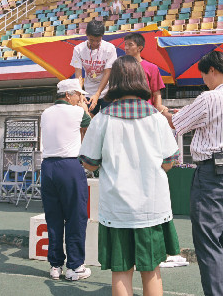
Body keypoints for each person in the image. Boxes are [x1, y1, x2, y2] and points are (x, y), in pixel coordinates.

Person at [79, 55, 180, 296]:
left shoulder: (102, 119)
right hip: (152, 206)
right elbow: (168, 162)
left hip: (117, 207)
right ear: (141, 80)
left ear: (114, 81)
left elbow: (90, 164)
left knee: (121, 271)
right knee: (152, 269)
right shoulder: (157, 119)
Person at [162, 51, 223, 296]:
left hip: (212, 172)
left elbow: (177, 124)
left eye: (203, 75)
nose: (203, 81)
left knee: (209, 241)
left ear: (212, 70)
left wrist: (164, 112)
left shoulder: (210, 98)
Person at [40, 78, 92, 281]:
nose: (81, 98)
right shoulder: (77, 112)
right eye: (79, 95)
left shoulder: (46, 113)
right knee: (75, 217)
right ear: (69, 95)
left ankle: (55, 265)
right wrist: (84, 108)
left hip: (48, 168)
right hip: (69, 166)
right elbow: (92, 126)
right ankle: (75, 266)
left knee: (53, 218)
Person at [70, 20, 117, 115]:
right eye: (91, 40)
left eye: (98, 40)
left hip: (106, 91)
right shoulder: (78, 49)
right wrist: (81, 93)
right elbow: (78, 73)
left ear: (102, 37)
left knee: (107, 120)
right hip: (88, 91)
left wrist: (97, 94)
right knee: (88, 120)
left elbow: (108, 73)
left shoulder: (109, 48)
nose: (95, 43)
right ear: (86, 35)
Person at [124, 32, 166, 111]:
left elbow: (156, 92)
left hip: (146, 110)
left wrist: (158, 108)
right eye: (125, 44)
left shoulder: (152, 68)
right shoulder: (120, 67)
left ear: (139, 48)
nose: (126, 47)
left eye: (130, 45)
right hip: (125, 109)